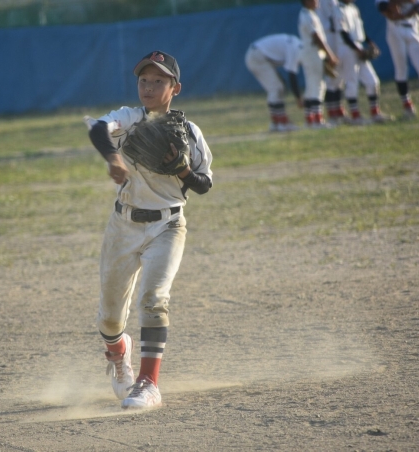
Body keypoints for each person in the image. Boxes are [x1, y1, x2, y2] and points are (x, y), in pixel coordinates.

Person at [83, 50, 213, 409]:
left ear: (176, 88)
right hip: (123, 225)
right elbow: (97, 128)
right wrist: (113, 157)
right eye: (144, 80)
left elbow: (204, 184)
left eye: (159, 81)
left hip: (168, 225)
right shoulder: (128, 118)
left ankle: (148, 384)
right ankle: (118, 352)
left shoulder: (190, 132)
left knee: (155, 300)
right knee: (110, 318)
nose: (149, 87)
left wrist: (183, 171)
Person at [334, 0, 394, 124]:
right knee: (352, 81)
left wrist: (370, 43)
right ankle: (356, 116)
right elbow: (344, 34)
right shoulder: (338, 9)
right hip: (346, 48)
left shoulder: (353, 8)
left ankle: (375, 113)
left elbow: (360, 30)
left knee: (372, 81)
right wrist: (357, 50)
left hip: (358, 45)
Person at [245, 34, 304, 132]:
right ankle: (281, 123)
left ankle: (277, 123)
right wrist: (298, 97)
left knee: (279, 87)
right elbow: (292, 76)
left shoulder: (297, 44)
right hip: (257, 57)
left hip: (257, 54)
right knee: (276, 88)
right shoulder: (297, 50)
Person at [299, 0, 340, 128]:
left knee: (312, 86)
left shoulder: (307, 14)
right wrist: (330, 54)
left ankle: (310, 120)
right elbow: (316, 37)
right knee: (318, 86)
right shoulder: (308, 15)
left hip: (310, 53)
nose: (317, 1)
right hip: (313, 53)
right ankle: (317, 121)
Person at [317, 0, 350, 122]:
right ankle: (332, 113)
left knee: (339, 76)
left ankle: (339, 110)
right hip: (328, 35)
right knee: (331, 77)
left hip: (336, 35)